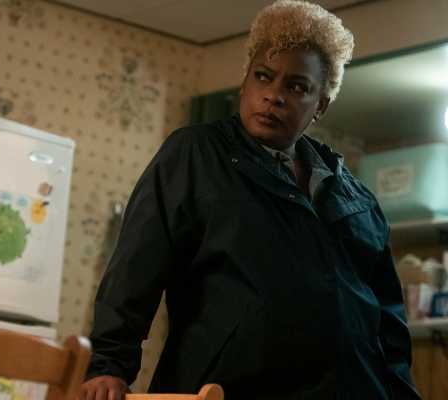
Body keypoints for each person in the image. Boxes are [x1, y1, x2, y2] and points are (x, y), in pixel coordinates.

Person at [80, 1, 421, 399]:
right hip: (228, 389)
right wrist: (108, 364)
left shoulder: (357, 198)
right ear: (244, 83)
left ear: (321, 105)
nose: (274, 96)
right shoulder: (196, 155)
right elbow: (136, 264)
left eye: (297, 87)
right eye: (263, 76)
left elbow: (389, 324)